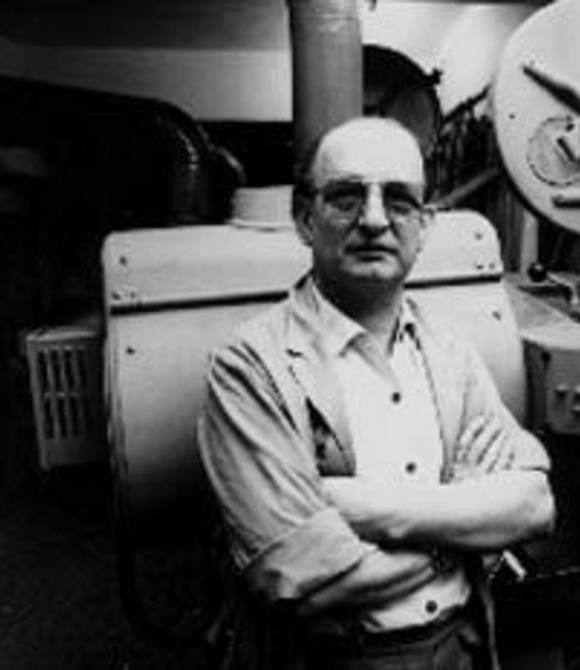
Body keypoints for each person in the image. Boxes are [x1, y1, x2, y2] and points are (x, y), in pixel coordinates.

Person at [198, 117, 555, 669]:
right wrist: (465, 529)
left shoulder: (449, 350)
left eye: (398, 200)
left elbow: (533, 504)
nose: (373, 219)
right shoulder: (250, 365)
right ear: (304, 218)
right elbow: (294, 578)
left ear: (424, 225)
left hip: (462, 647)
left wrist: (371, 510)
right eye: (346, 197)